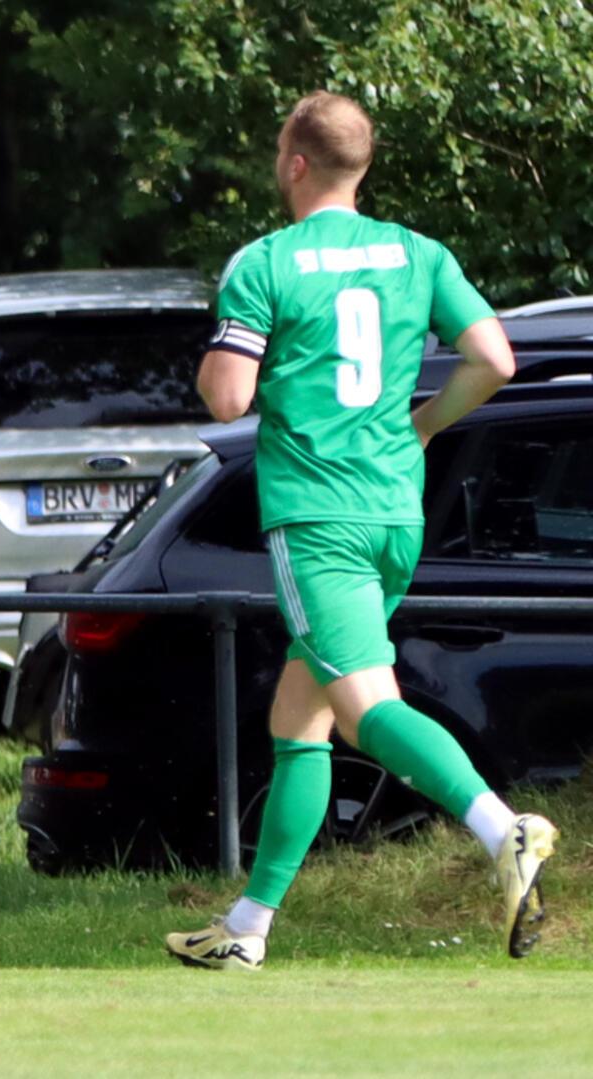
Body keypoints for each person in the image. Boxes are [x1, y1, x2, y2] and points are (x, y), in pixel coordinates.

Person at [167, 92, 553, 971]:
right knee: (299, 715)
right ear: (363, 166)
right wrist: (421, 426)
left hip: (318, 514)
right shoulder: (419, 253)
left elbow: (227, 397)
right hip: (394, 510)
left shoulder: (266, 261)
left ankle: (506, 829)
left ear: (294, 162)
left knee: (365, 709)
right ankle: (248, 925)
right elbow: (495, 358)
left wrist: (224, 364)